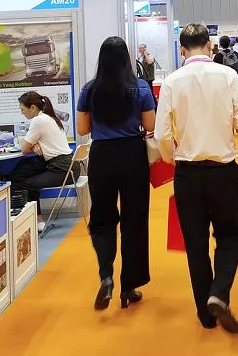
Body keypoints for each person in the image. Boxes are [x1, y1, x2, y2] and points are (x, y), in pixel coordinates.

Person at [156, 23, 238, 333]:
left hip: (188, 172)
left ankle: (205, 314)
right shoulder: (228, 75)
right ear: (209, 46)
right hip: (223, 170)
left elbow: (162, 135)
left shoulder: (172, 81)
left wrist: (172, 157)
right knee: (228, 236)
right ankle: (219, 294)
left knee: (195, 244)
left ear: (182, 49)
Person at [77, 37, 153, 311]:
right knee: (135, 220)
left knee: (102, 218)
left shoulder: (89, 89)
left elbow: (83, 129)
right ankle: (129, 286)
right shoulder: (140, 88)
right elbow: (149, 125)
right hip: (133, 155)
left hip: (102, 156)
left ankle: (106, 275)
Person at [9, 91, 74, 231]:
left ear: (32, 108)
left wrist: (32, 146)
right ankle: (36, 218)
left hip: (61, 169)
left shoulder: (38, 120)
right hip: (70, 165)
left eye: (22, 110)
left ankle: (30, 220)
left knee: (23, 182)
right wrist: (35, 145)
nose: (22, 113)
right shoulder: (50, 117)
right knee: (23, 171)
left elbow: (24, 149)